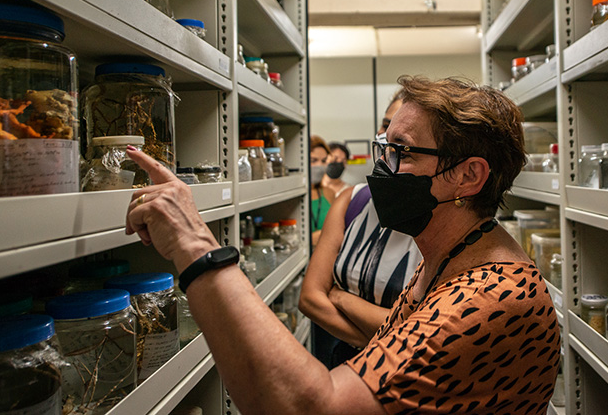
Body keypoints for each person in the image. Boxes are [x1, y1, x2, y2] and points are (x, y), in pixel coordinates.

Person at [124, 75, 560, 414]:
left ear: (468, 176)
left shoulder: (490, 296)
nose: (381, 168)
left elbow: (311, 408)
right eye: (383, 148)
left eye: (402, 153)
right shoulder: (447, 260)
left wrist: (195, 245)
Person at [302, 92, 423, 369]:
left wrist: (338, 295)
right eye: (385, 124)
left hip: (402, 375)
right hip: (344, 364)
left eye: (403, 133)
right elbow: (309, 298)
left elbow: (419, 332)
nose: (389, 135)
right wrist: (383, 336)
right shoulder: (351, 201)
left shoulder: (435, 217)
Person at [310, 135, 335, 244]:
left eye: (323, 161)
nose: (319, 166)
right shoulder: (291, 196)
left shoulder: (328, 193)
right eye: (313, 160)